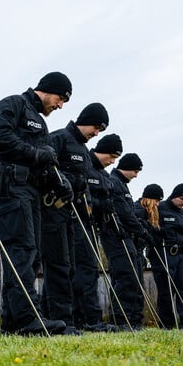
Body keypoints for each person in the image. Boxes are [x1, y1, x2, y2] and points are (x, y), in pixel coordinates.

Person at [0, 72, 74, 336]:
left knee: (31, 254)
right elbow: (0, 139)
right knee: (22, 251)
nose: (59, 106)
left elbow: (46, 161)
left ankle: (13, 322)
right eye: (60, 99)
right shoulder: (11, 105)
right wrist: (37, 154)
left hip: (32, 190)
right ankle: (28, 318)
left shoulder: (41, 123)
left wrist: (59, 182)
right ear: (47, 90)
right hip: (11, 186)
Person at [40, 103, 109, 336]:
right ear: (85, 120)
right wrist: (68, 181)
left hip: (76, 215)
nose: (97, 134)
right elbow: (44, 168)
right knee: (58, 266)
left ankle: (68, 318)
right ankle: (59, 319)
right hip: (54, 210)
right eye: (96, 127)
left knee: (69, 269)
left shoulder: (85, 152)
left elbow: (85, 183)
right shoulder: (59, 138)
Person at [74, 134, 124, 331]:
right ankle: (87, 319)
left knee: (90, 271)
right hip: (78, 224)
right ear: (100, 150)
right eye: (111, 156)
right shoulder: (85, 164)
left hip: (95, 226)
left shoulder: (104, 175)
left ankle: (89, 317)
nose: (112, 162)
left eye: (116, 159)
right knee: (83, 272)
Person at [102, 152, 150, 330]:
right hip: (116, 235)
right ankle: (120, 319)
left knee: (132, 277)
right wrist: (142, 231)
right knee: (125, 277)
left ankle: (131, 319)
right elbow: (125, 213)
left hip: (125, 236)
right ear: (128, 168)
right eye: (136, 171)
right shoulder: (115, 182)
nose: (136, 175)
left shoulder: (122, 184)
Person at [149, 183, 183, 330]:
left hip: (180, 254)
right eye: (181, 198)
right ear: (174, 196)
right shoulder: (159, 207)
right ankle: (166, 323)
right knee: (166, 290)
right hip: (164, 252)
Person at [133, 183, 165, 326]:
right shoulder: (138, 210)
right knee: (133, 285)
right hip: (134, 250)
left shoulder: (148, 213)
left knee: (139, 287)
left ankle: (137, 318)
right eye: (157, 201)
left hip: (140, 252)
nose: (157, 204)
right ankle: (132, 318)